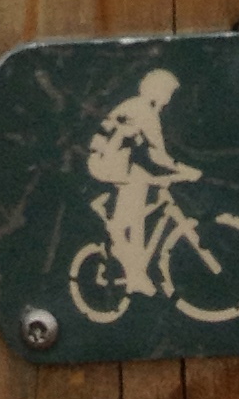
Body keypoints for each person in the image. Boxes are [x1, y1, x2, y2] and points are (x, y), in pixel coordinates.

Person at [84, 68, 197, 294]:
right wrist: (184, 170)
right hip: (109, 163)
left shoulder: (135, 105)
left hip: (110, 161)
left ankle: (131, 258)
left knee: (139, 207)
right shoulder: (145, 111)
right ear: (157, 91)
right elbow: (157, 154)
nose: (169, 98)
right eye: (168, 92)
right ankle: (133, 271)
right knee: (138, 192)